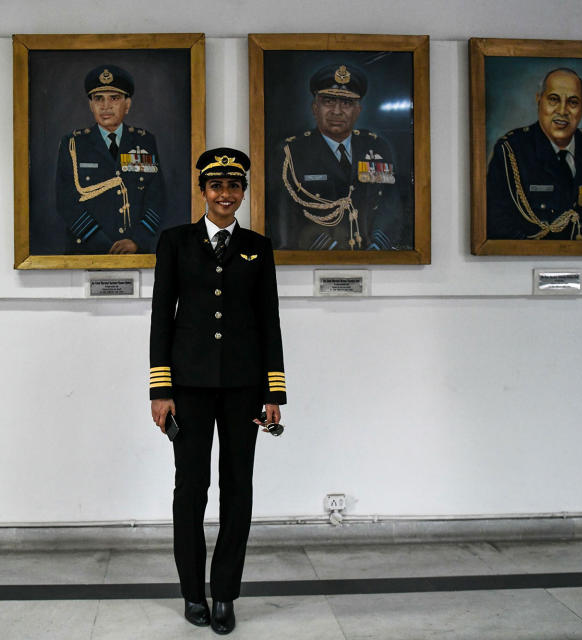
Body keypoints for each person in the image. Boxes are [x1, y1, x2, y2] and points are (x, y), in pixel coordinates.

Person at [149, 148, 287, 635]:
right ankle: (192, 592)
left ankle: (225, 591)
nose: (225, 194)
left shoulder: (257, 246)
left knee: (237, 489)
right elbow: (161, 317)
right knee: (190, 490)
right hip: (186, 388)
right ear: (202, 191)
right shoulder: (175, 243)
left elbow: (269, 320)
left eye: (234, 187)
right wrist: (159, 390)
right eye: (216, 186)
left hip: (244, 389)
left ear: (243, 192)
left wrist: (274, 392)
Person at [268, 63, 407, 251]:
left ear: (358, 110)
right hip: (314, 255)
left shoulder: (377, 147)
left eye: (347, 103)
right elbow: (282, 216)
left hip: (372, 253)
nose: (337, 111)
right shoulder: (290, 152)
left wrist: (379, 245)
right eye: (328, 101)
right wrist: (329, 249)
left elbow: (390, 206)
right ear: (314, 107)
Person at [486, 67, 582, 240]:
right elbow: (498, 225)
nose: (562, 110)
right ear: (539, 100)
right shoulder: (511, 152)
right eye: (553, 99)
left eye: (573, 102)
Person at [54, 64, 166, 254]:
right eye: (98, 99)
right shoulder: (73, 144)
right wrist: (102, 244)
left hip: (135, 251)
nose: (105, 106)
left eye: (114, 98)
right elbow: (65, 201)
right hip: (87, 250)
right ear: (91, 105)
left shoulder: (145, 141)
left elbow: (157, 198)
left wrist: (137, 240)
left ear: (127, 104)